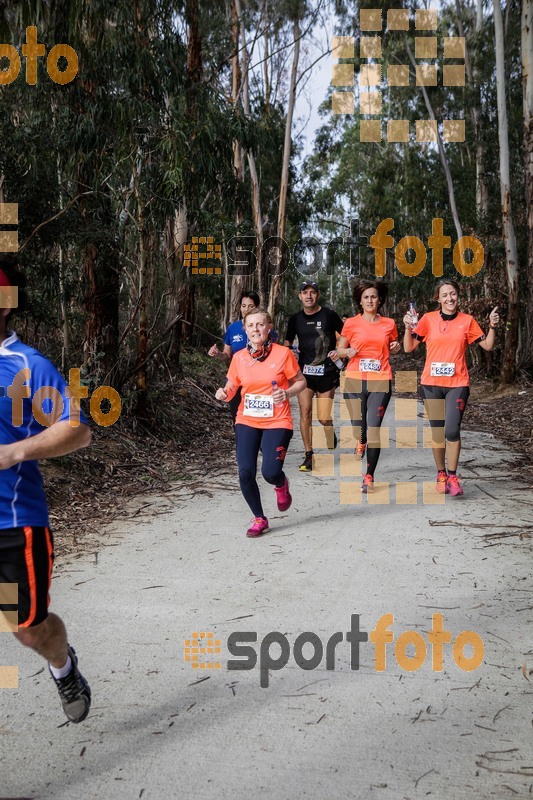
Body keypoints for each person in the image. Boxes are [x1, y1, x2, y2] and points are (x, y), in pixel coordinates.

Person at [0, 256, 92, 723]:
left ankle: (63, 666)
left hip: (13, 524)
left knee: (28, 630)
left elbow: (78, 428)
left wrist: (14, 453)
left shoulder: (26, 365)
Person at [403, 279, 499, 496]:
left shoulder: (467, 321)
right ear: (438, 298)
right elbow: (409, 348)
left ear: (458, 296)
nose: (449, 298)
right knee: (438, 432)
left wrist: (492, 326)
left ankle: (453, 476)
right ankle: (441, 474)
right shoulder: (427, 319)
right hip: (431, 385)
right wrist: (408, 328)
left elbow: (488, 345)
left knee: (452, 430)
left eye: (453, 294)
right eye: (445, 295)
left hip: (457, 384)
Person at [215, 308, 306, 537]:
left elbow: (301, 382)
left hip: (277, 420)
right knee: (245, 471)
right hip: (247, 419)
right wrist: (223, 393)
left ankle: (280, 484)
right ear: (245, 329)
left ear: (269, 327)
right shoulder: (239, 358)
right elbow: (231, 386)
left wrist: (286, 393)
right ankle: (259, 518)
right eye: (251, 325)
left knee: (270, 471)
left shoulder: (283, 354)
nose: (255, 329)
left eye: (260, 324)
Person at [336, 281, 400, 493]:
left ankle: (369, 475)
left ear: (379, 300)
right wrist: (347, 352)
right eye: (366, 297)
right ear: (360, 301)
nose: (370, 300)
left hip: (380, 380)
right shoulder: (351, 323)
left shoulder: (389, 324)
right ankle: (360, 440)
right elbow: (340, 349)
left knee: (373, 429)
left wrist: (396, 346)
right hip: (354, 379)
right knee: (359, 427)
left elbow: (394, 346)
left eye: (373, 297)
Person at [284, 280, 344, 471]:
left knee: (324, 417)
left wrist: (341, 352)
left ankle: (329, 428)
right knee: (305, 412)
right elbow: (287, 342)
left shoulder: (329, 315)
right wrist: (289, 353)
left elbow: (346, 335)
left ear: (317, 295)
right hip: (304, 375)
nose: (309, 295)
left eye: (312, 292)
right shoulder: (295, 319)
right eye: (305, 292)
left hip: (327, 372)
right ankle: (309, 455)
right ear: (299, 296)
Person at [208, 291, 260, 423]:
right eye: (243, 306)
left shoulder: (264, 329)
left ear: (257, 307)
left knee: (257, 421)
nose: (246, 309)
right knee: (238, 420)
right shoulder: (233, 328)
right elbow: (227, 356)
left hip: (258, 382)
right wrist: (218, 354)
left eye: (251, 306)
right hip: (236, 381)